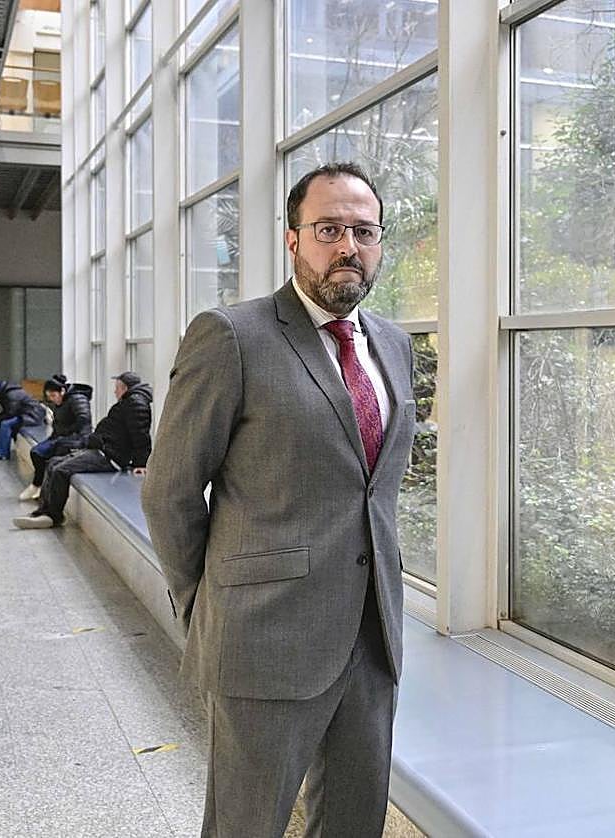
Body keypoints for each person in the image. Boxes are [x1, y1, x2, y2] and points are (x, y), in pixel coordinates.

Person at [141, 162, 415, 838]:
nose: (348, 246)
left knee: (354, 822)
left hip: (371, 636)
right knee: (246, 824)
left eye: (364, 231)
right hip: (263, 636)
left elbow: (371, 490)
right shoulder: (233, 336)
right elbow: (170, 489)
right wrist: (206, 604)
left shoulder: (394, 344)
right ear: (293, 239)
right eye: (328, 229)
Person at [12, 372, 152, 529]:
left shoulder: (136, 405)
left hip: (110, 457)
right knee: (52, 463)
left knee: (61, 470)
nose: (114, 391)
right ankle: (43, 511)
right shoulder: (130, 403)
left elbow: (140, 434)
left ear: (124, 388)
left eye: (117, 388)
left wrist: (141, 463)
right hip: (102, 449)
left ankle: (53, 515)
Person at [19, 373, 93, 501]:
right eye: (49, 397)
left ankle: (40, 487)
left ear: (62, 391)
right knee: (36, 452)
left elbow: (84, 420)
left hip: (77, 438)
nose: (52, 399)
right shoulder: (61, 401)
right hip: (60, 436)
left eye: (53, 396)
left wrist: (67, 432)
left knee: (52, 458)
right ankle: (37, 484)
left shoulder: (77, 399)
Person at [0, 380, 47, 461]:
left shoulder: (11, 395)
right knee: (1, 423)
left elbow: (10, 414)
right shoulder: (6, 393)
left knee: (5, 424)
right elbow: (9, 412)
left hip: (32, 415)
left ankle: (1, 454)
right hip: (25, 414)